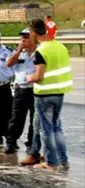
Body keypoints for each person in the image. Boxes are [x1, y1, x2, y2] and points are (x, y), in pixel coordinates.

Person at [20, 19, 72, 170]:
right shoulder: (60, 46)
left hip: (45, 94)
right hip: (59, 92)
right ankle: (63, 159)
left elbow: (39, 76)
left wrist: (28, 78)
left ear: (33, 33)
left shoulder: (41, 51)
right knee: (56, 127)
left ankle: (51, 162)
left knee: (46, 129)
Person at [4, 28, 36, 154]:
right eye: (22, 37)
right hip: (21, 89)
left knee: (35, 119)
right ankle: (11, 143)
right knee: (16, 118)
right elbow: (9, 64)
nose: (24, 39)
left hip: (35, 89)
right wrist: (18, 50)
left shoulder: (39, 52)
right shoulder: (17, 52)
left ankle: (31, 144)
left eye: (27, 37)